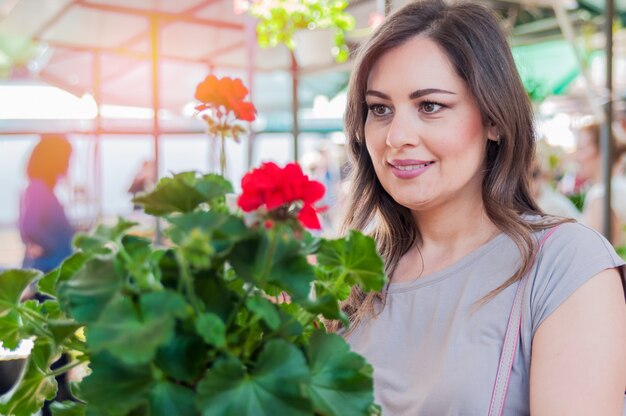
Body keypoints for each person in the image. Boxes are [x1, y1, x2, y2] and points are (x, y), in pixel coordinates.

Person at [334, 1, 626, 414]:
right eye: (380, 109)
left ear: (494, 119)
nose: (397, 135)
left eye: (430, 106)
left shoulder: (564, 264)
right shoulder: (355, 272)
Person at [19, 134, 75, 273]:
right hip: (49, 268)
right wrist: (53, 246)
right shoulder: (38, 189)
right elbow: (29, 226)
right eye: (66, 159)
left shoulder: (43, 190)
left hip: (54, 267)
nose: (68, 165)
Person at [574, 121, 626, 246]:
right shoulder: (618, 186)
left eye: (581, 148)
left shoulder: (600, 195)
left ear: (602, 151)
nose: (576, 157)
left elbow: (599, 253)